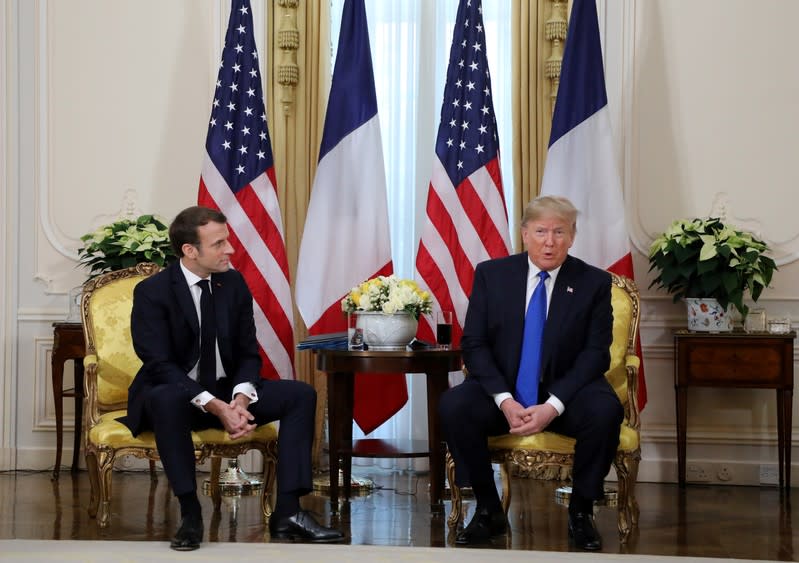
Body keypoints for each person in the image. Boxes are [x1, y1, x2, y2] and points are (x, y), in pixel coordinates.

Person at [126, 206, 344, 551]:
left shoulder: (233, 283)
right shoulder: (153, 291)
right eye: (219, 243)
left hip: (225, 389)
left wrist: (240, 399)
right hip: (176, 393)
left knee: (299, 395)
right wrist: (216, 407)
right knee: (165, 396)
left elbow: (247, 353)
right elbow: (159, 365)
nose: (230, 250)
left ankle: (288, 512)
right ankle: (190, 512)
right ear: (190, 251)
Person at [439, 195, 623, 551]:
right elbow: (474, 344)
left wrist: (552, 406)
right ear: (525, 233)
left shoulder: (593, 283)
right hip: (505, 391)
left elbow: (595, 355)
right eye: (540, 231)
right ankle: (489, 510)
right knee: (455, 406)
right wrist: (505, 401)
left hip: (566, 391)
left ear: (572, 236)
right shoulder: (492, 275)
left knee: (605, 411)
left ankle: (581, 512)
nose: (549, 241)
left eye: (559, 232)